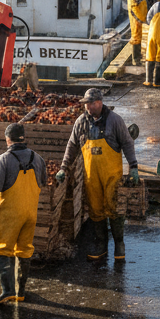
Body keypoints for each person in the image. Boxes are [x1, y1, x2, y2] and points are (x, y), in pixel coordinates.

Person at [55, 88, 138, 262]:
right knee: (95, 209)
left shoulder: (115, 121)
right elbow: (72, 146)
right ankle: (101, 244)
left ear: (99, 103)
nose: (87, 107)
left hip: (112, 175)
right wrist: (64, 167)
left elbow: (127, 143)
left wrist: (133, 167)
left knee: (114, 207)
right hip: (91, 175)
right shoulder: (81, 122)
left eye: (90, 104)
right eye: (86, 104)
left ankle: (119, 244)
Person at [0, 123, 47, 304]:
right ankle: (20, 292)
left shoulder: (4, 159)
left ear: (8, 139)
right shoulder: (38, 158)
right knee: (24, 250)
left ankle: (7, 291)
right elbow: (44, 182)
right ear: (24, 138)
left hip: (10, 213)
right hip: (30, 213)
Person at [127, 0, 149, 65]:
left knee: (142, 38)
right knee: (136, 38)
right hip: (136, 19)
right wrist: (139, 19)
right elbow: (133, 8)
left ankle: (139, 57)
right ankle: (135, 59)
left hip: (143, 18)